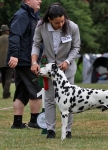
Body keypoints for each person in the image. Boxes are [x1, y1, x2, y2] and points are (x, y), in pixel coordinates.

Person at [31, 2, 81, 138]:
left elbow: (76, 47)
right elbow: (36, 44)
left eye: (62, 21)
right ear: (49, 20)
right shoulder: (41, 27)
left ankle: (68, 130)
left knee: (68, 100)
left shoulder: (73, 27)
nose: (61, 24)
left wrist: (67, 61)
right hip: (48, 68)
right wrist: (34, 62)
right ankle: (50, 130)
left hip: (67, 69)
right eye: (57, 22)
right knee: (49, 99)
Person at [6, 0, 42, 129]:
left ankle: (17, 123)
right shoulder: (22, 15)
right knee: (37, 89)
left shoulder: (34, 16)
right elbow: (15, 35)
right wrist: (14, 54)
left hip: (27, 59)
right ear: (27, 1)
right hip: (25, 60)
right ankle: (35, 121)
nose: (40, 0)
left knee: (22, 91)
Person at [0, 25, 14, 99]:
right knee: (8, 78)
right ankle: (6, 93)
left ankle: (6, 93)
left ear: (1, 32)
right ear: (8, 31)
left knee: (4, 78)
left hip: (0, 62)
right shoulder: (11, 39)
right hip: (9, 61)